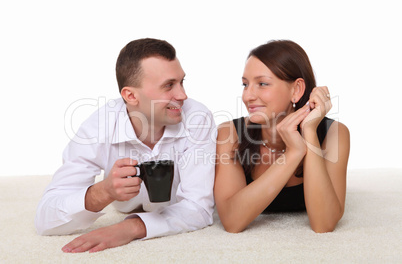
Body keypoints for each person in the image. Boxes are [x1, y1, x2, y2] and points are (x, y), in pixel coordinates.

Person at [35, 38, 216, 253]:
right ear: (130, 96)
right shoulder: (98, 127)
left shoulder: (197, 118)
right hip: (122, 206)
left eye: (181, 82)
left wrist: (131, 227)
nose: (182, 95)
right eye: (169, 85)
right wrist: (103, 192)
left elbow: (199, 208)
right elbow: (45, 218)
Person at [214, 40, 350, 233]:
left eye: (262, 84)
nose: (247, 96)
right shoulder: (229, 133)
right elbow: (232, 221)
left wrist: (309, 132)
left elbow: (324, 224)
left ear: (296, 90)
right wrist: (294, 152)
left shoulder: (335, 133)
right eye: (245, 84)